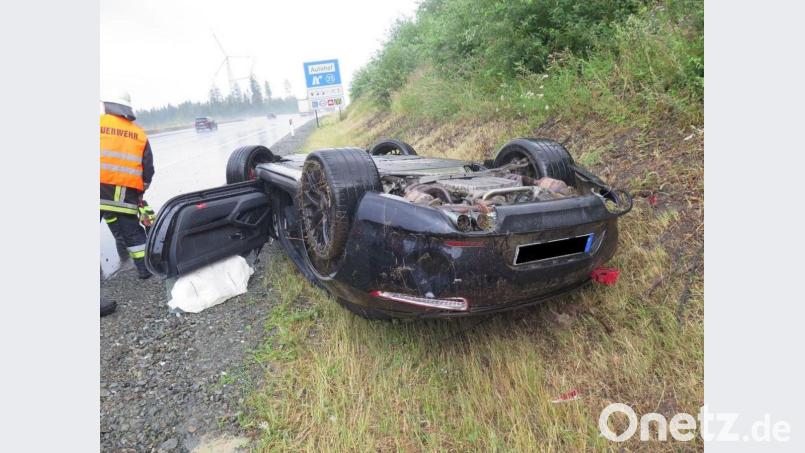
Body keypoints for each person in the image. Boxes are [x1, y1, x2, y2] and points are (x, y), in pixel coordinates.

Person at [100, 90, 154, 280]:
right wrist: (142, 190)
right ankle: (145, 270)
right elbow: (148, 168)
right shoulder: (138, 133)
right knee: (133, 234)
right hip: (125, 194)